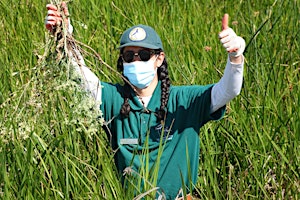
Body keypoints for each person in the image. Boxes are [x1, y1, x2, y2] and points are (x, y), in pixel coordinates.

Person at [45, 2, 245, 200]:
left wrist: (235, 57)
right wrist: (63, 35)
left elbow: (228, 91)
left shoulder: (184, 100)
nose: (136, 61)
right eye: (129, 56)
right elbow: (80, 75)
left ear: (159, 59)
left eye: (144, 55)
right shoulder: (113, 99)